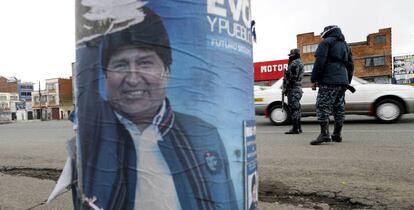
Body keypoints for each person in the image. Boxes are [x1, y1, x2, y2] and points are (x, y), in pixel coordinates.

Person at [75, 6, 238, 210]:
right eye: (121, 65)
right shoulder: (93, 133)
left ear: (167, 72)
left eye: (145, 63)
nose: (133, 79)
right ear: (105, 77)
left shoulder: (203, 134)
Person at [310, 25, 354, 145]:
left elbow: (319, 62)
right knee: (339, 108)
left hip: (328, 80)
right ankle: (337, 134)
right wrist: (347, 81)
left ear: (327, 32)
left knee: (322, 107)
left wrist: (314, 79)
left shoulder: (326, 43)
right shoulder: (346, 45)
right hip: (342, 82)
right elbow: (350, 65)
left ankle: (324, 134)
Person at [284, 48, 304, 134]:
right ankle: (299, 128)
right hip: (298, 88)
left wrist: (286, 88)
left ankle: (295, 129)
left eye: (291, 55)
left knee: (293, 109)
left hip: (293, 89)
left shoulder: (294, 64)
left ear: (294, 55)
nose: (290, 57)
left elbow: (292, 78)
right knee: (297, 108)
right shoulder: (300, 63)